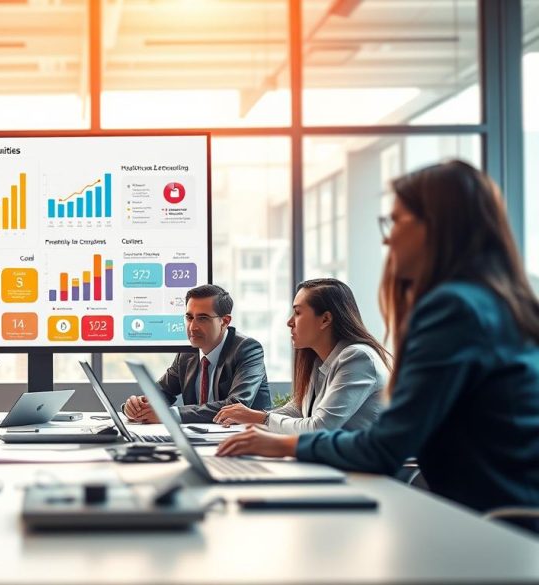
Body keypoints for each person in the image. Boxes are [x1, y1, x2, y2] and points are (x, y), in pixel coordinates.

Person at [217, 160, 539, 514]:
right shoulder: (495, 302)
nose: (387, 237)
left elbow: (384, 447)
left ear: (437, 226)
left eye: (397, 220)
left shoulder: (454, 309)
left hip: (496, 522)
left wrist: (284, 445)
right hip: (497, 508)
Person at [213, 278, 389, 433]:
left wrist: (260, 419)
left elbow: (319, 428)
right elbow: (299, 409)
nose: (289, 322)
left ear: (325, 319)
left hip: (366, 468)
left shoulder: (358, 358)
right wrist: (254, 416)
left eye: (297, 313)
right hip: (331, 460)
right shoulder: (320, 359)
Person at [123, 284, 271, 424]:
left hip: (248, 438)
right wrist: (135, 407)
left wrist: (170, 415)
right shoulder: (187, 355)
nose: (192, 327)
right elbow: (161, 394)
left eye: (202, 319)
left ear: (225, 321)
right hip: (202, 438)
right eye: (189, 317)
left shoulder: (248, 349)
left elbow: (236, 406)